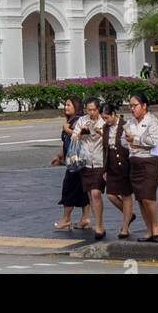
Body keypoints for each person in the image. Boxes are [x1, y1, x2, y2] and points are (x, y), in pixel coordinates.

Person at [125, 90, 158, 242]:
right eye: (130, 106)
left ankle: (156, 227)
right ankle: (148, 229)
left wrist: (135, 140)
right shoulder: (130, 123)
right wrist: (134, 142)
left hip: (150, 162)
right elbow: (124, 141)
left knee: (148, 197)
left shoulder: (153, 121)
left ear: (144, 106)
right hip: (134, 162)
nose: (132, 109)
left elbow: (152, 141)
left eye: (135, 105)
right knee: (140, 198)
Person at [51, 96, 91, 231]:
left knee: (68, 188)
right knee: (82, 190)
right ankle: (85, 218)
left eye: (69, 105)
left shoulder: (77, 120)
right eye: (65, 105)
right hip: (76, 160)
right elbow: (67, 144)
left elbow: (79, 135)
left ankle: (66, 219)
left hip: (76, 161)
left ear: (76, 106)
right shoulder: (72, 121)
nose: (66, 107)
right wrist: (59, 156)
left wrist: (66, 129)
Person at [71, 95, 107, 240]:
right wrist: (81, 132)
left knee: (96, 193)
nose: (91, 113)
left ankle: (99, 225)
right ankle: (97, 221)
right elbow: (73, 138)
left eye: (93, 110)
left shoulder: (104, 121)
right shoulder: (82, 120)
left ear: (98, 109)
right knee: (91, 196)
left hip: (99, 161)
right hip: (85, 162)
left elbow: (111, 138)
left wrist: (99, 132)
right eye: (89, 110)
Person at [101, 100, 135, 239]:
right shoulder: (105, 128)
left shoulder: (125, 125)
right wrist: (105, 169)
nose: (104, 120)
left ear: (113, 114)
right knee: (111, 195)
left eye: (106, 117)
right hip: (112, 164)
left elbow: (131, 144)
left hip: (125, 164)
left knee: (126, 195)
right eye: (103, 118)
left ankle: (125, 227)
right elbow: (104, 149)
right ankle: (129, 215)